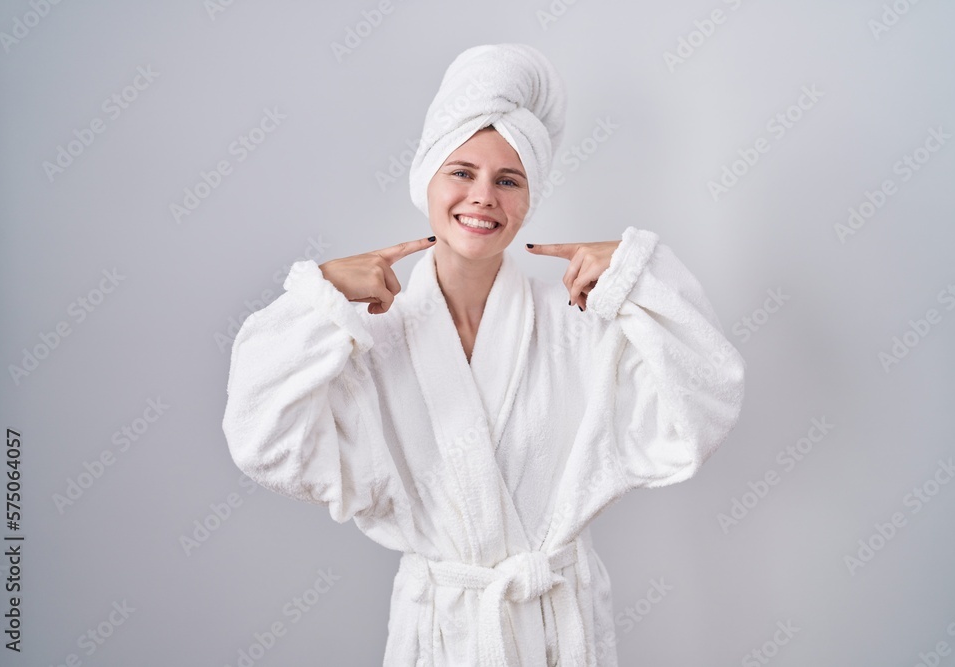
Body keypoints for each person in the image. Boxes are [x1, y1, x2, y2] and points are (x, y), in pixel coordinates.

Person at [222, 43, 745, 666]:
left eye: (508, 180)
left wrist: (643, 277)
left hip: (557, 630)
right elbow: (262, 439)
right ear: (428, 182)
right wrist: (321, 296)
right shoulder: (366, 339)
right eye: (462, 172)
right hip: (444, 635)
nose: (483, 197)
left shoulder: (578, 327)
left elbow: (702, 407)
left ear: (528, 199)